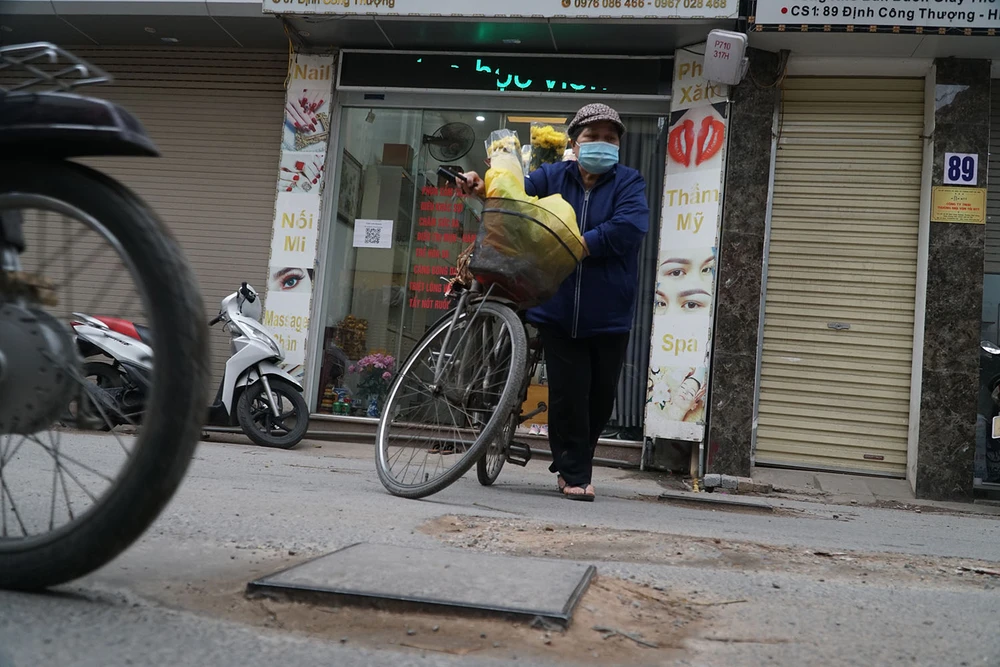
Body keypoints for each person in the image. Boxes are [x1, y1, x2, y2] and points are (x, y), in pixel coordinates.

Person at [459, 103, 650, 502]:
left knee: (600, 399)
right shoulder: (552, 176)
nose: (601, 144)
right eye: (592, 136)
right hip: (555, 303)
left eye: (610, 138)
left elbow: (630, 226)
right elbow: (515, 199)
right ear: (574, 143)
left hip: (609, 311)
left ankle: (575, 458)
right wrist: (482, 185)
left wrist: (578, 244)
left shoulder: (629, 182)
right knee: (569, 392)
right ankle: (573, 471)